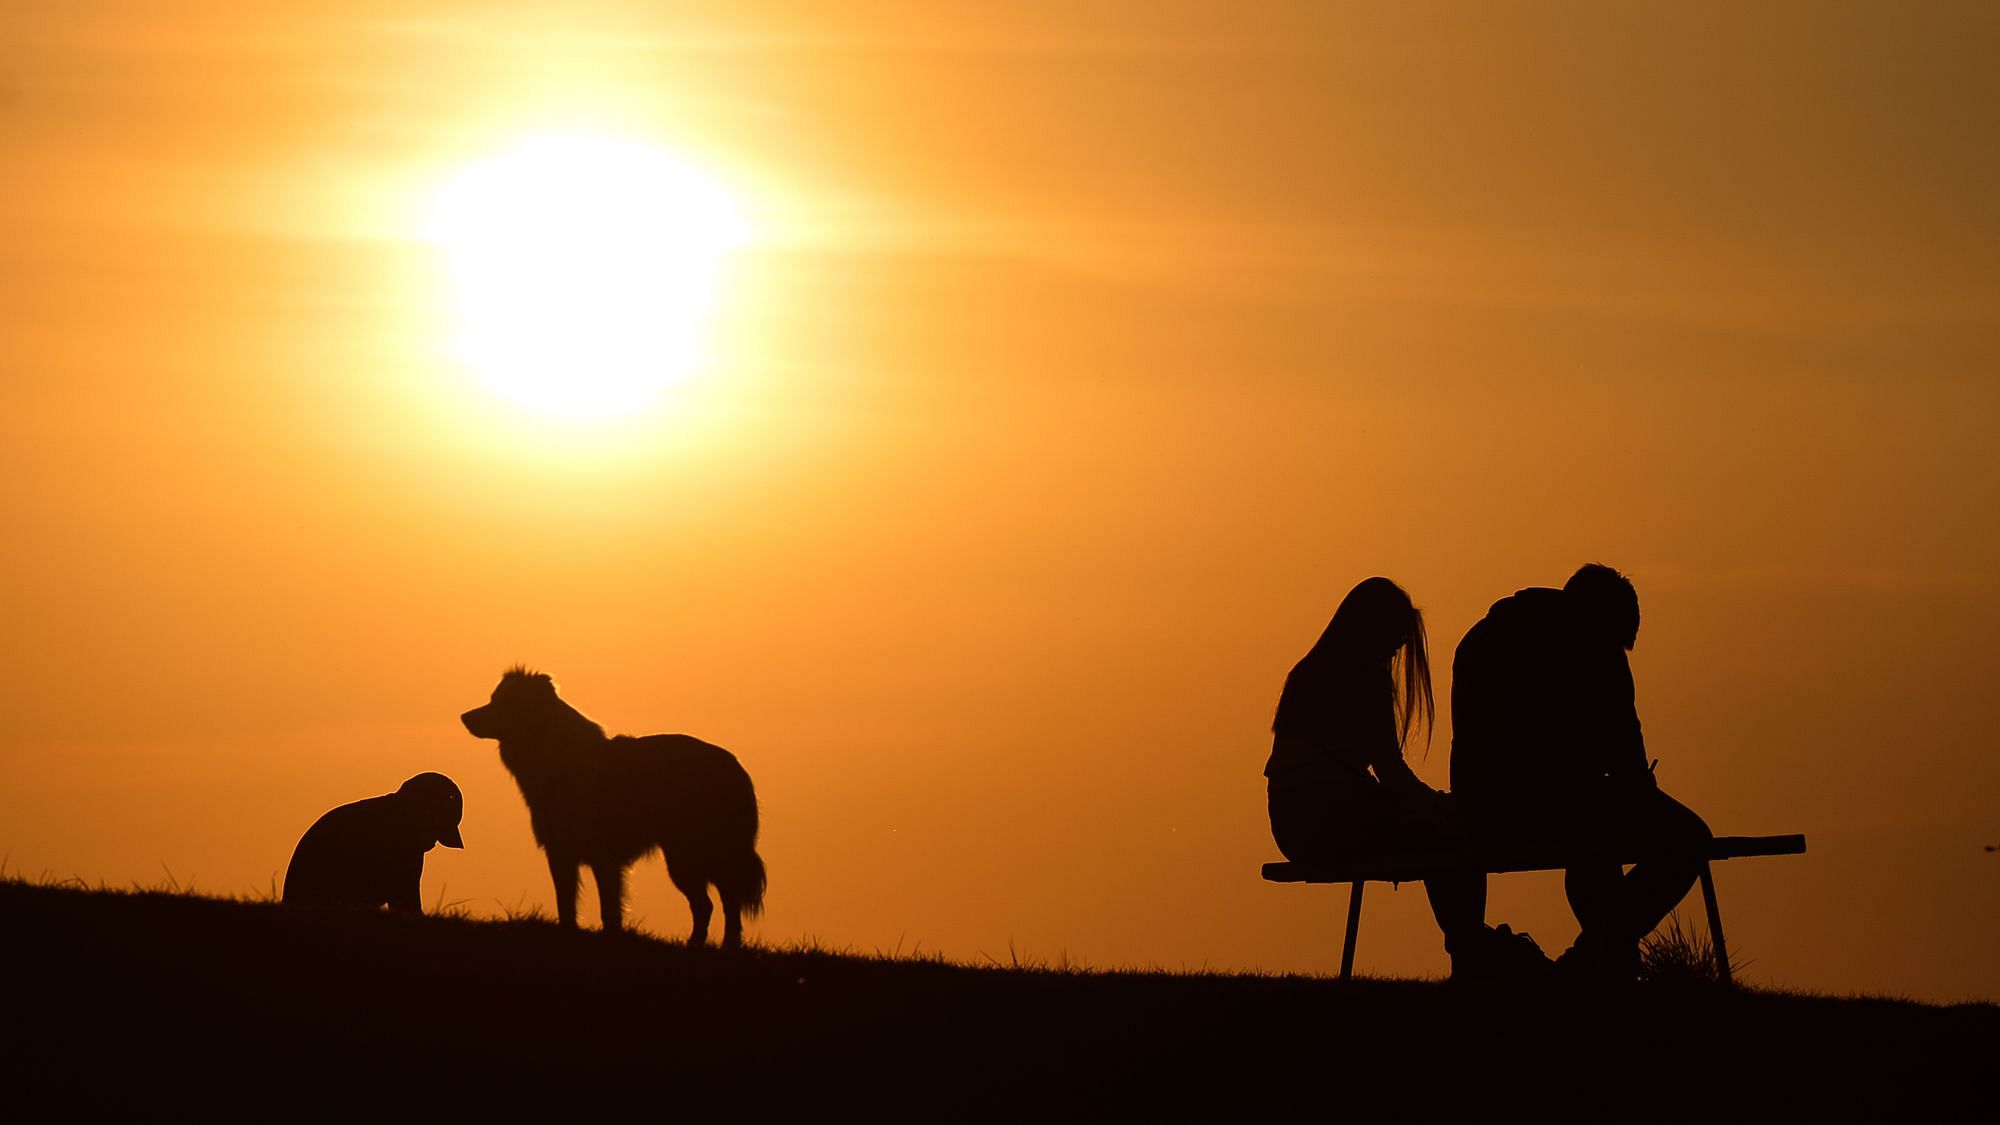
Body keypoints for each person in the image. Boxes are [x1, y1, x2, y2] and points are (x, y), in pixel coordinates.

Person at [1265, 577, 1546, 979]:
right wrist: (1438, 805)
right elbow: (1392, 774)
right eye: (1395, 635)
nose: (1399, 646)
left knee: (1439, 825)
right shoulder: (1365, 677)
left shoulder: (1309, 671)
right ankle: (1470, 950)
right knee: (1455, 833)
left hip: (1293, 824)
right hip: (1331, 819)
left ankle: (1470, 946)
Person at [1450, 563, 1711, 984]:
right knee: (1690, 839)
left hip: (1482, 808)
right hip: (1549, 807)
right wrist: (1637, 786)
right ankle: (1595, 955)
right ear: (1604, 620)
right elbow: (1625, 754)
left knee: (1595, 837)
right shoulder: (1594, 648)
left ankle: (1600, 958)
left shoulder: (1481, 638)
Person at [283, 772, 465, 912]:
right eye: (435, 833)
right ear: (423, 816)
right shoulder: (400, 840)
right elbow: (407, 912)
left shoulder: (364, 817)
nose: (433, 844)